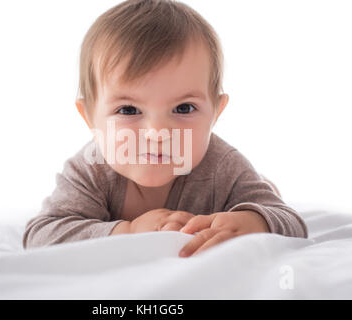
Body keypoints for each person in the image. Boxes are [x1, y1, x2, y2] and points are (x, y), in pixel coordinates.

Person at [23, 0, 308, 258]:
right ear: (89, 118)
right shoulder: (90, 171)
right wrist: (128, 232)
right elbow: (41, 236)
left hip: (235, 189)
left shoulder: (223, 166)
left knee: (262, 195)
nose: (157, 133)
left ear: (216, 113)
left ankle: (263, 186)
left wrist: (254, 221)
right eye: (129, 110)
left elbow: (291, 222)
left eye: (183, 108)